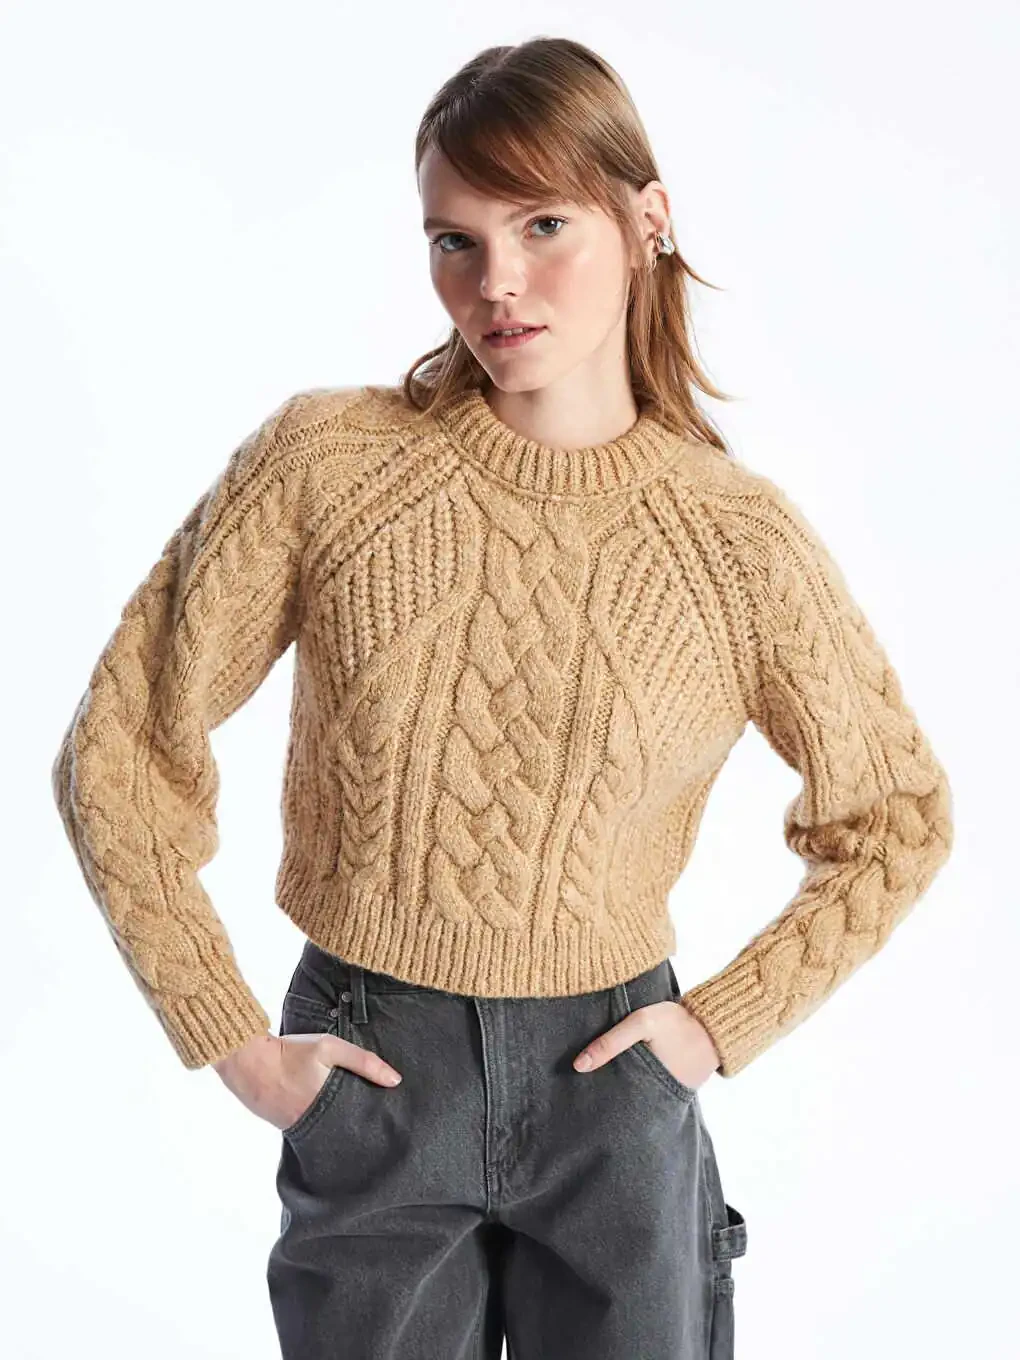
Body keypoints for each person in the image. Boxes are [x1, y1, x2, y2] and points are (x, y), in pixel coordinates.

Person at [51, 35, 954, 1360]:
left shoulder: (736, 543)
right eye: (454, 240)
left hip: (617, 1079)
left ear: (646, 220)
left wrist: (714, 1030)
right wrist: (233, 1040)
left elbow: (896, 817)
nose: (497, 282)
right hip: (372, 1062)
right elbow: (121, 748)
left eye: (543, 224)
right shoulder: (330, 467)